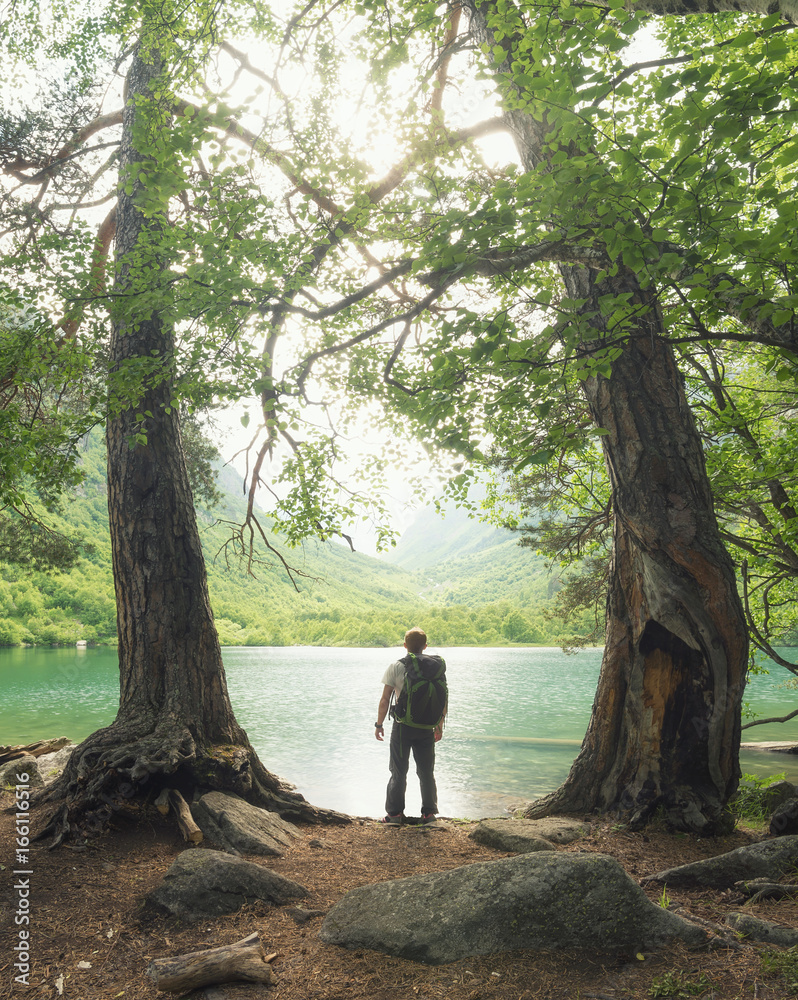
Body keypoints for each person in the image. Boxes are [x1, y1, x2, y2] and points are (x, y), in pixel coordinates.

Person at [374, 626, 446, 825]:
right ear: (425, 646)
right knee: (426, 772)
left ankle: (395, 815)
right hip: (427, 727)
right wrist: (439, 724)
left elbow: (385, 699)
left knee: (398, 771)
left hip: (403, 727)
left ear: (405, 645)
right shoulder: (436, 668)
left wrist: (379, 724)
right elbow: (443, 698)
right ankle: (429, 814)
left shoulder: (396, 666)